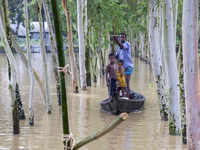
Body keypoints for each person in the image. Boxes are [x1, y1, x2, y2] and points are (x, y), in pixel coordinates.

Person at [114, 33, 134, 99]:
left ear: (125, 38)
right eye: (120, 37)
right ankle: (123, 96)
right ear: (120, 38)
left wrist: (116, 40)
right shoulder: (118, 47)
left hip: (128, 67)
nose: (122, 38)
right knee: (121, 83)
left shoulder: (126, 44)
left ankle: (128, 97)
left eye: (123, 37)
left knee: (126, 83)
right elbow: (117, 56)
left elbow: (122, 46)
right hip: (122, 68)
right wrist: (113, 57)